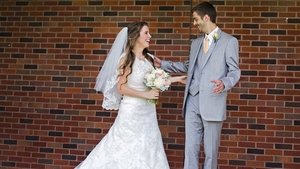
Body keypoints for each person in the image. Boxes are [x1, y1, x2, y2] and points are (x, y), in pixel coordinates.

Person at [75, 21, 185, 169]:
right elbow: (121, 88)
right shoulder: (126, 59)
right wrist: (145, 95)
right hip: (131, 112)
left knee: (149, 147)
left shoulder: (149, 59)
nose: (150, 36)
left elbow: (157, 79)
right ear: (135, 36)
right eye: (146, 33)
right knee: (125, 148)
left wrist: (178, 79)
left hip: (148, 113)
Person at [154, 2, 241, 169]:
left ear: (206, 17)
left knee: (210, 152)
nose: (194, 23)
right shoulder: (196, 43)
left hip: (213, 101)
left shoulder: (230, 41)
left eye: (196, 19)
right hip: (192, 100)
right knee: (190, 149)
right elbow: (189, 66)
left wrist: (224, 83)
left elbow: (235, 71)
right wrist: (163, 64)